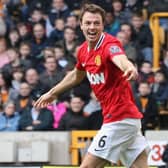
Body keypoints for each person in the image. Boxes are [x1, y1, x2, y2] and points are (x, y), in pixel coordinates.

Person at [34, 4, 149, 168]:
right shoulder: (82, 51)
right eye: (88, 23)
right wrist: (53, 93)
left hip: (119, 118)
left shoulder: (109, 44)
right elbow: (76, 74)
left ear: (103, 25)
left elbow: (119, 57)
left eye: (96, 23)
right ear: (81, 25)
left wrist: (128, 66)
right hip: (127, 120)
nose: (92, 27)